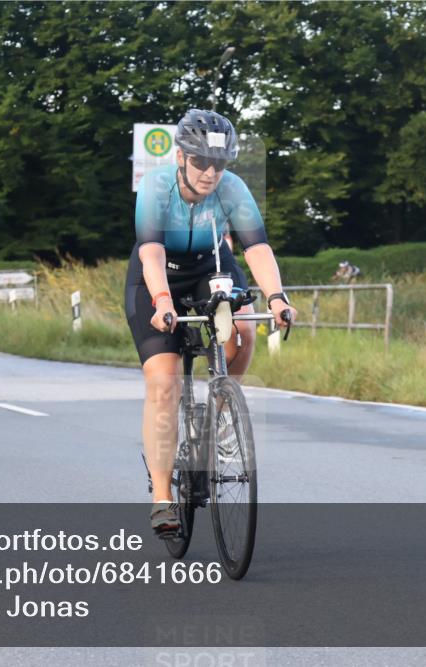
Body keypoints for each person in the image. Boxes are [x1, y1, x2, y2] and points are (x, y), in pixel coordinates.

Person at [124, 109, 297, 535]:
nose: (210, 173)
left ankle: (221, 411)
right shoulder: (156, 187)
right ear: (181, 158)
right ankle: (162, 498)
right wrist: (163, 301)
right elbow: (151, 252)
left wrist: (277, 297)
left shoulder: (232, 188)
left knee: (244, 329)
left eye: (219, 164)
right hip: (158, 274)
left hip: (210, 266)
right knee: (164, 384)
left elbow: (256, 248)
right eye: (201, 162)